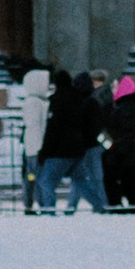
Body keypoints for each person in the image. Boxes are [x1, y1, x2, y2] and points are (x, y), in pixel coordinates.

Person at [32, 70, 108, 213]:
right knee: (81, 181)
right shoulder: (80, 100)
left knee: (46, 181)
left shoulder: (57, 100)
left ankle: (48, 209)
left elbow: (53, 130)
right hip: (77, 149)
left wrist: (44, 152)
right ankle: (100, 206)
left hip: (60, 150)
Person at [104, 75, 135, 211]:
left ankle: (117, 207)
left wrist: (113, 148)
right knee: (130, 182)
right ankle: (134, 207)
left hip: (120, 153)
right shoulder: (133, 107)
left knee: (113, 180)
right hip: (129, 153)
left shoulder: (123, 109)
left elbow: (122, 131)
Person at [19, 68, 51, 214]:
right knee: (35, 176)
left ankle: (30, 203)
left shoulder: (35, 101)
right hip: (35, 147)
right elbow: (35, 126)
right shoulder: (34, 102)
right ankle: (37, 203)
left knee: (32, 176)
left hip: (32, 147)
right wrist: (41, 146)